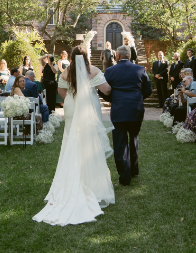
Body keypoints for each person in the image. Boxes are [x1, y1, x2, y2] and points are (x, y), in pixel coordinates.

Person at [33, 46, 114, 226]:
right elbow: (107, 89)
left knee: (71, 140)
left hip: (70, 106)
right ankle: (90, 182)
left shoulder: (66, 72)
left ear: (71, 57)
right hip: (88, 107)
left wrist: (72, 96)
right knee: (89, 141)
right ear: (86, 56)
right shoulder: (92, 70)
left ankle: (73, 176)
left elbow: (61, 93)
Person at [100, 45, 152, 186]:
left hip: (119, 110)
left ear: (117, 56)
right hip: (136, 109)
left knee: (120, 143)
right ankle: (134, 170)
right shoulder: (140, 69)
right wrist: (138, 99)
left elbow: (102, 91)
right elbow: (148, 89)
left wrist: (113, 100)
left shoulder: (110, 70)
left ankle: (125, 176)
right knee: (134, 139)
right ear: (129, 56)